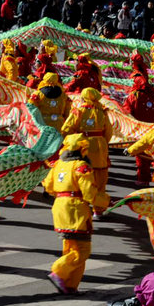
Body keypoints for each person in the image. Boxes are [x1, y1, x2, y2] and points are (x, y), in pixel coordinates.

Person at [42, 133, 110, 294]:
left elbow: (49, 187)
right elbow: (89, 193)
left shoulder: (58, 164)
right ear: (82, 149)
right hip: (76, 209)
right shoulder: (81, 166)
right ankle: (58, 272)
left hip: (60, 207)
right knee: (82, 250)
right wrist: (105, 201)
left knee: (70, 248)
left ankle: (70, 285)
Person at [61, 87, 112, 216]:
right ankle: (98, 210)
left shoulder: (78, 111)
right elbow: (109, 131)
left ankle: (82, 205)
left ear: (83, 97)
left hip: (83, 145)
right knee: (100, 177)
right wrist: (103, 141)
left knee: (83, 175)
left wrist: (70, 142)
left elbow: (67, 128)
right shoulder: (102, 111)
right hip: (100, 146)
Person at [122, 76, 154, 186]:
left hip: (140, 130)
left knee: (141, 156)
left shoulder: (133, 96)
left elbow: (126, 113)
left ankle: (143, 180)